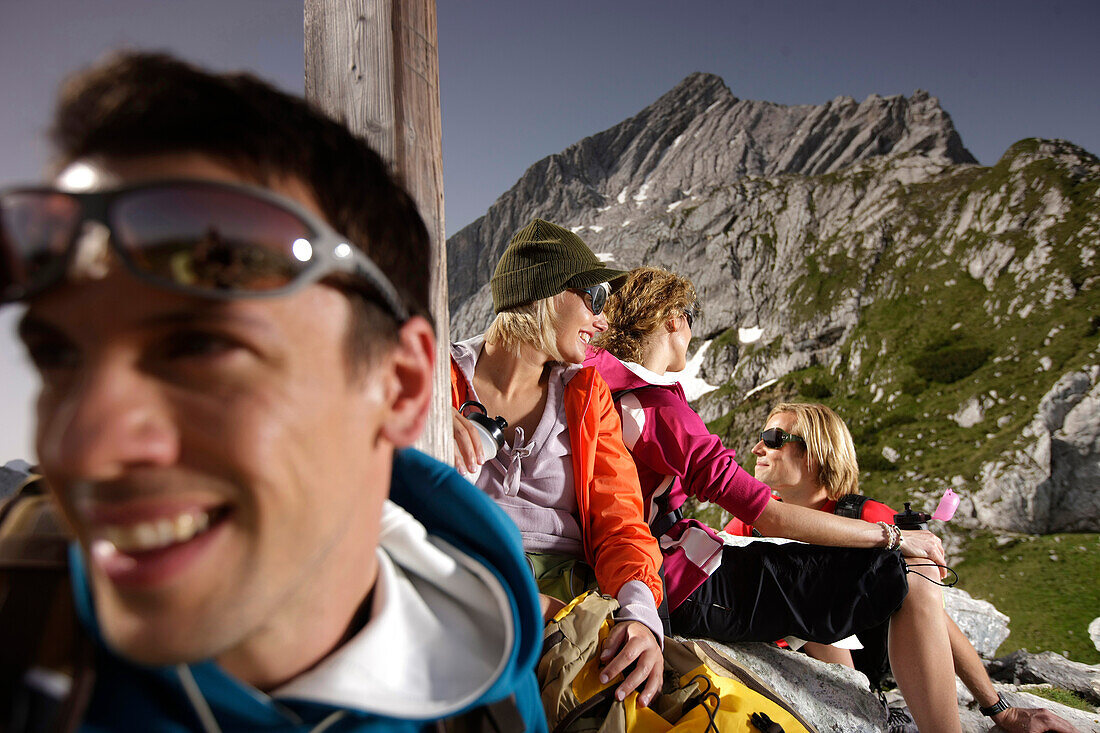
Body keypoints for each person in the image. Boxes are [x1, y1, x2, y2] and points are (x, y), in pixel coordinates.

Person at [0, 52, 546, 732]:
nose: (80, 448)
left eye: (200, 346)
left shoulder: (487, 692)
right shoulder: (17, 622)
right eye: (58, 358)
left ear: (400, 387)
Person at [585, 266, 963, 732]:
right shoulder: (658, 409)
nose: (691, 326)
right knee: (906, 571)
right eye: (690, 314)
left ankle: (865, 709)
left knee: (806, 580)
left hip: (639, 572)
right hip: (682, 582)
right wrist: (888, 535)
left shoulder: (594, 375)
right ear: (670, 320)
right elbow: (769, 515)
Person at [733, 402, 1080, 733]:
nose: (756, 449)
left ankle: (864, 708)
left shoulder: (866, 519)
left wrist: (1000, 708)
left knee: (873, 588)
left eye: (772, 439)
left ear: (817, 451)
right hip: (770, 653)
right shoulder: (750, 522)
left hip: (846, 655)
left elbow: (927, 607)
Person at [450, 219, 666, 709]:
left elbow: (621, 523)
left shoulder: (587, 397)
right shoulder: (439, 376)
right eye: (594, 296)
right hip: (466, 576)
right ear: (543, 292)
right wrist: (425, 424)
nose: (604, 320)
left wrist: (638, 616)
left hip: (568, 595)